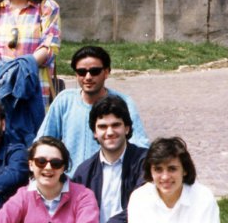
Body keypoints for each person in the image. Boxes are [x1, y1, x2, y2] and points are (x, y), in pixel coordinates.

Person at [36, 46, 149, 174]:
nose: (88, 77)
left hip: (110, 180)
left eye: (94, 71)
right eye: (82, 72)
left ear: (106, 72)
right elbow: (42, 143)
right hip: (70, 184)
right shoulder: (64, 100)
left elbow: (141, 147)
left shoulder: (124, 103)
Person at [72, 95, 147, 223]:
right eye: (102, 127)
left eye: (116, 125)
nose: (110, 132)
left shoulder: (145, 162)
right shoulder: (84, 171)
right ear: (94, 132)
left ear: (127, 128)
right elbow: (76, 215)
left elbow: (142, 207)